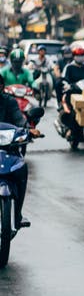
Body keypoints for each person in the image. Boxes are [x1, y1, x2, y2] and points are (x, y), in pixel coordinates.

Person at [0, 85, 39, 224]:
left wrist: (28, 129)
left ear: (1, 87)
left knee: (21, 169)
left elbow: (19, 119)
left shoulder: (10, 102)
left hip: (8, 146)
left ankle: (18, 215)